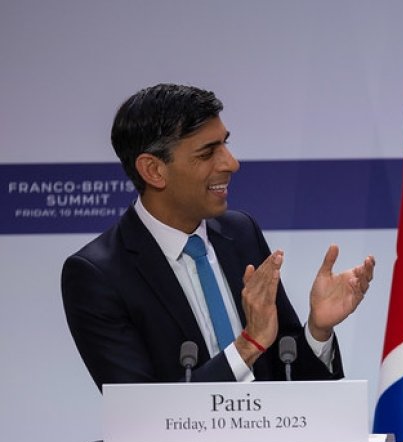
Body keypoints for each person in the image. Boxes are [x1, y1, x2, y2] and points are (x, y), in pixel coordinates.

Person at [62, 83, 376, 388]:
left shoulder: (241, 234)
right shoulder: (98, 274)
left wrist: (317, 331)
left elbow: (289, 378)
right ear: (154, 170)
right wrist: (248, 345)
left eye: (225, 144)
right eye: (208, 152)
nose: (231, 163)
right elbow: (140, 414)